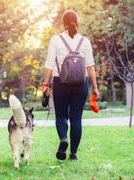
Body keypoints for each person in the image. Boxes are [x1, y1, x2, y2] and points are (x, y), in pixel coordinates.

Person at [42, 10, 100, 160]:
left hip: (61, 82)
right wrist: (95, 87)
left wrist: (45, 84)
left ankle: (63, 139)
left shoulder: (56, 39)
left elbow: (49, 64)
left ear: (64, 23)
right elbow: (90, 67)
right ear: (77, 23)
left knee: (61, 115)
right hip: (81, 84)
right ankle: (73, 154)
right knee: (76, 119)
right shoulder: (85, 41)